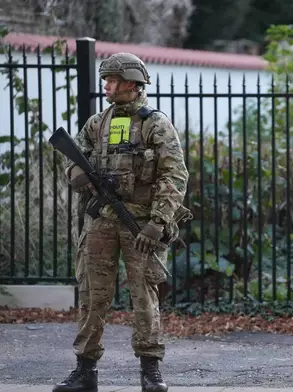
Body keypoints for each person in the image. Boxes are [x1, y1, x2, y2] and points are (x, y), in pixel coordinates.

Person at [53, 52, 191, 392]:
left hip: (140, 224)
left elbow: (175, 174)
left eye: (112, 80)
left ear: (131, 82)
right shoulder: (97, 123)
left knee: (144, 296)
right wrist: (78, 174)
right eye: (106, 79)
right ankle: (85, 372)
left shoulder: (154, 123)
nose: (106, 86)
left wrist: (158, 222)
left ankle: (150, 371)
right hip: (100, 220)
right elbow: (72, 159)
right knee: (91, 295)